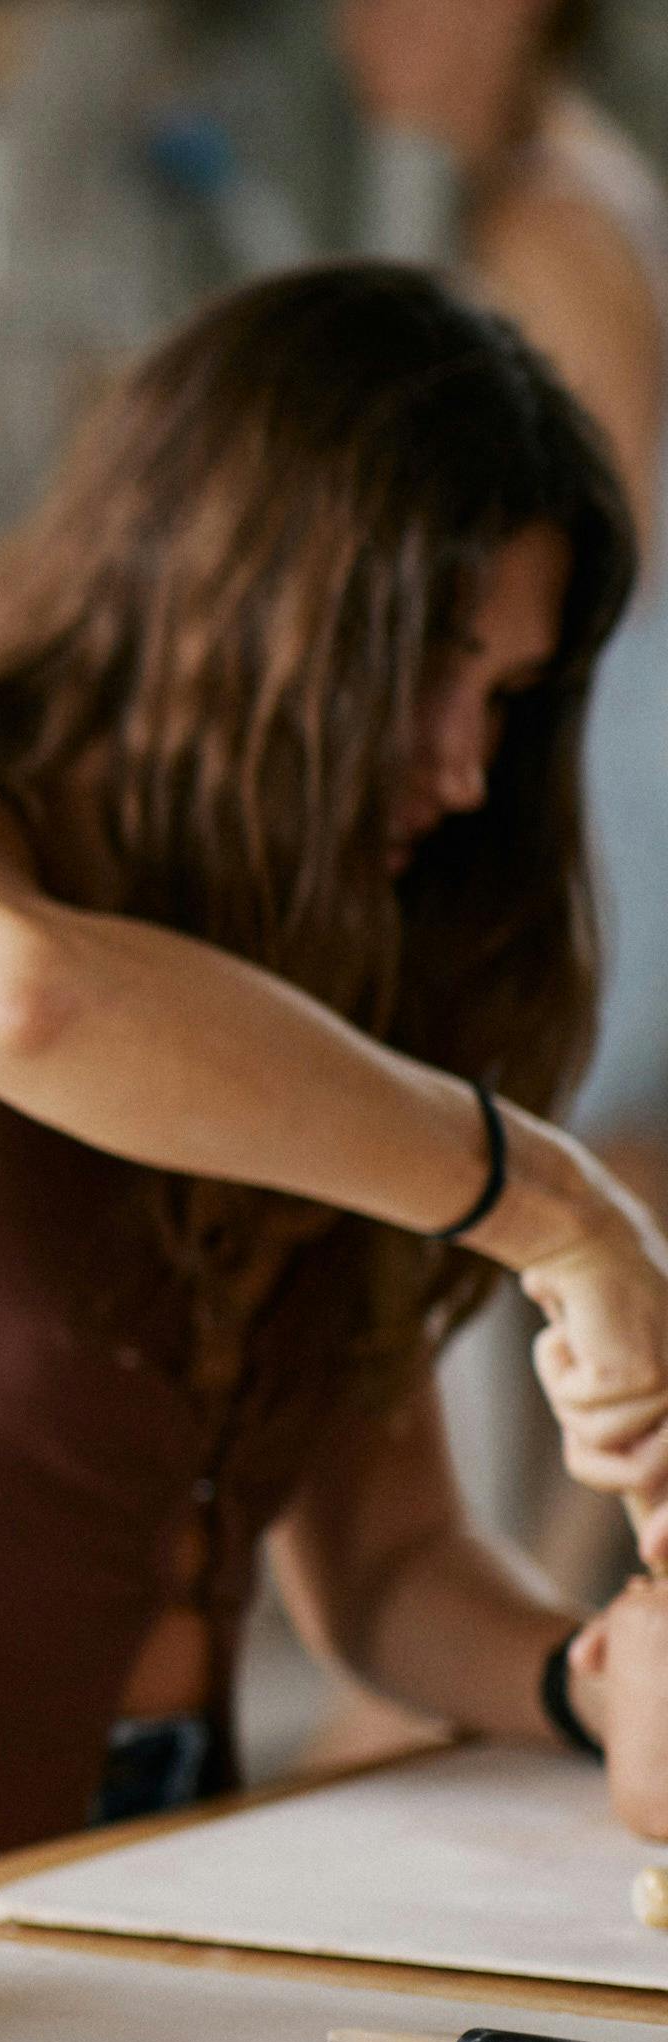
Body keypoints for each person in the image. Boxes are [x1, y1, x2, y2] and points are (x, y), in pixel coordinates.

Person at [0, 264, 668, 1965]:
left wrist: (587, 1679)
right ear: (238, 604)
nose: (467, 767)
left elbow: (384, 1567)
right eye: (428, 672)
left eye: (512, 703)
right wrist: (560, 1211)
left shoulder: (310, 1027)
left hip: (158, 1869)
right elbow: (26, 995)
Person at [343, 0, 668, 1594]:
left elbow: (579, 562)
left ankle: (559, 1635)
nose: (363, 31)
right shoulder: (570, 187)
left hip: (612, 766)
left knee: (598, 1204)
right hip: (608, 748)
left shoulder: (548, 216)